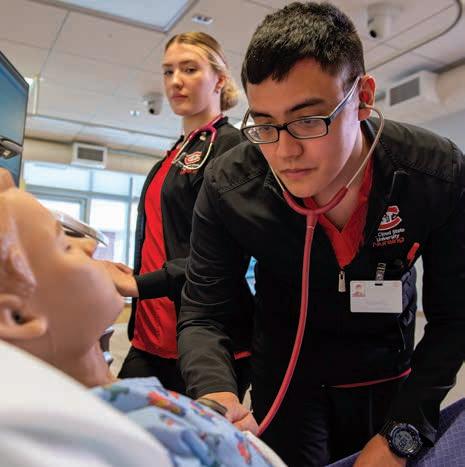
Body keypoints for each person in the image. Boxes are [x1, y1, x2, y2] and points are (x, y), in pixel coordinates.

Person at [177, 2, 465, 466]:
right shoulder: (230, 184)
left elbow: (456, 318)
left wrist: (404, 431)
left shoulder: (433, 173)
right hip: (286, 381)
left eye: (309, 120)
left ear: (363, 97)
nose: (285, 152)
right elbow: (204, 313)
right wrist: (216, 393)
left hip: (382, 377)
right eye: (264, 124)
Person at [0, 169, 282, 467]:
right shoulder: (107, 440)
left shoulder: (129, 398)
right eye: (65, 245)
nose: (90, 245)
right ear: (18, 318)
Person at [102, 31, 253, 395]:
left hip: (205, 340)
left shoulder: (231, 147)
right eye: (168, 71)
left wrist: (138, 285)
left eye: (189, 69)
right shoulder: (174, 154)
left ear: (219, 79)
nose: (175, 81)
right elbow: (167, 237)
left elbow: (221, 257)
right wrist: (136, 274)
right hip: (150, 334)